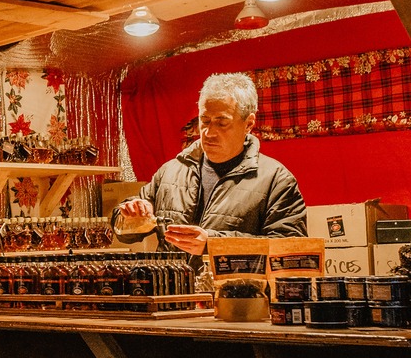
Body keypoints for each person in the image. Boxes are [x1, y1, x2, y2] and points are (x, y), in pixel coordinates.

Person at [115, 73, 309, 252]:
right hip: (173, 280)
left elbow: (291, 249)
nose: (208, 132)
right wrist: (130, 218)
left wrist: (214, 244)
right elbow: (123, 230)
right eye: (205, 120)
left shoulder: (276, 180)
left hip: (236, 281)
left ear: (249, 124)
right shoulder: (170, 171)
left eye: (222, 123)